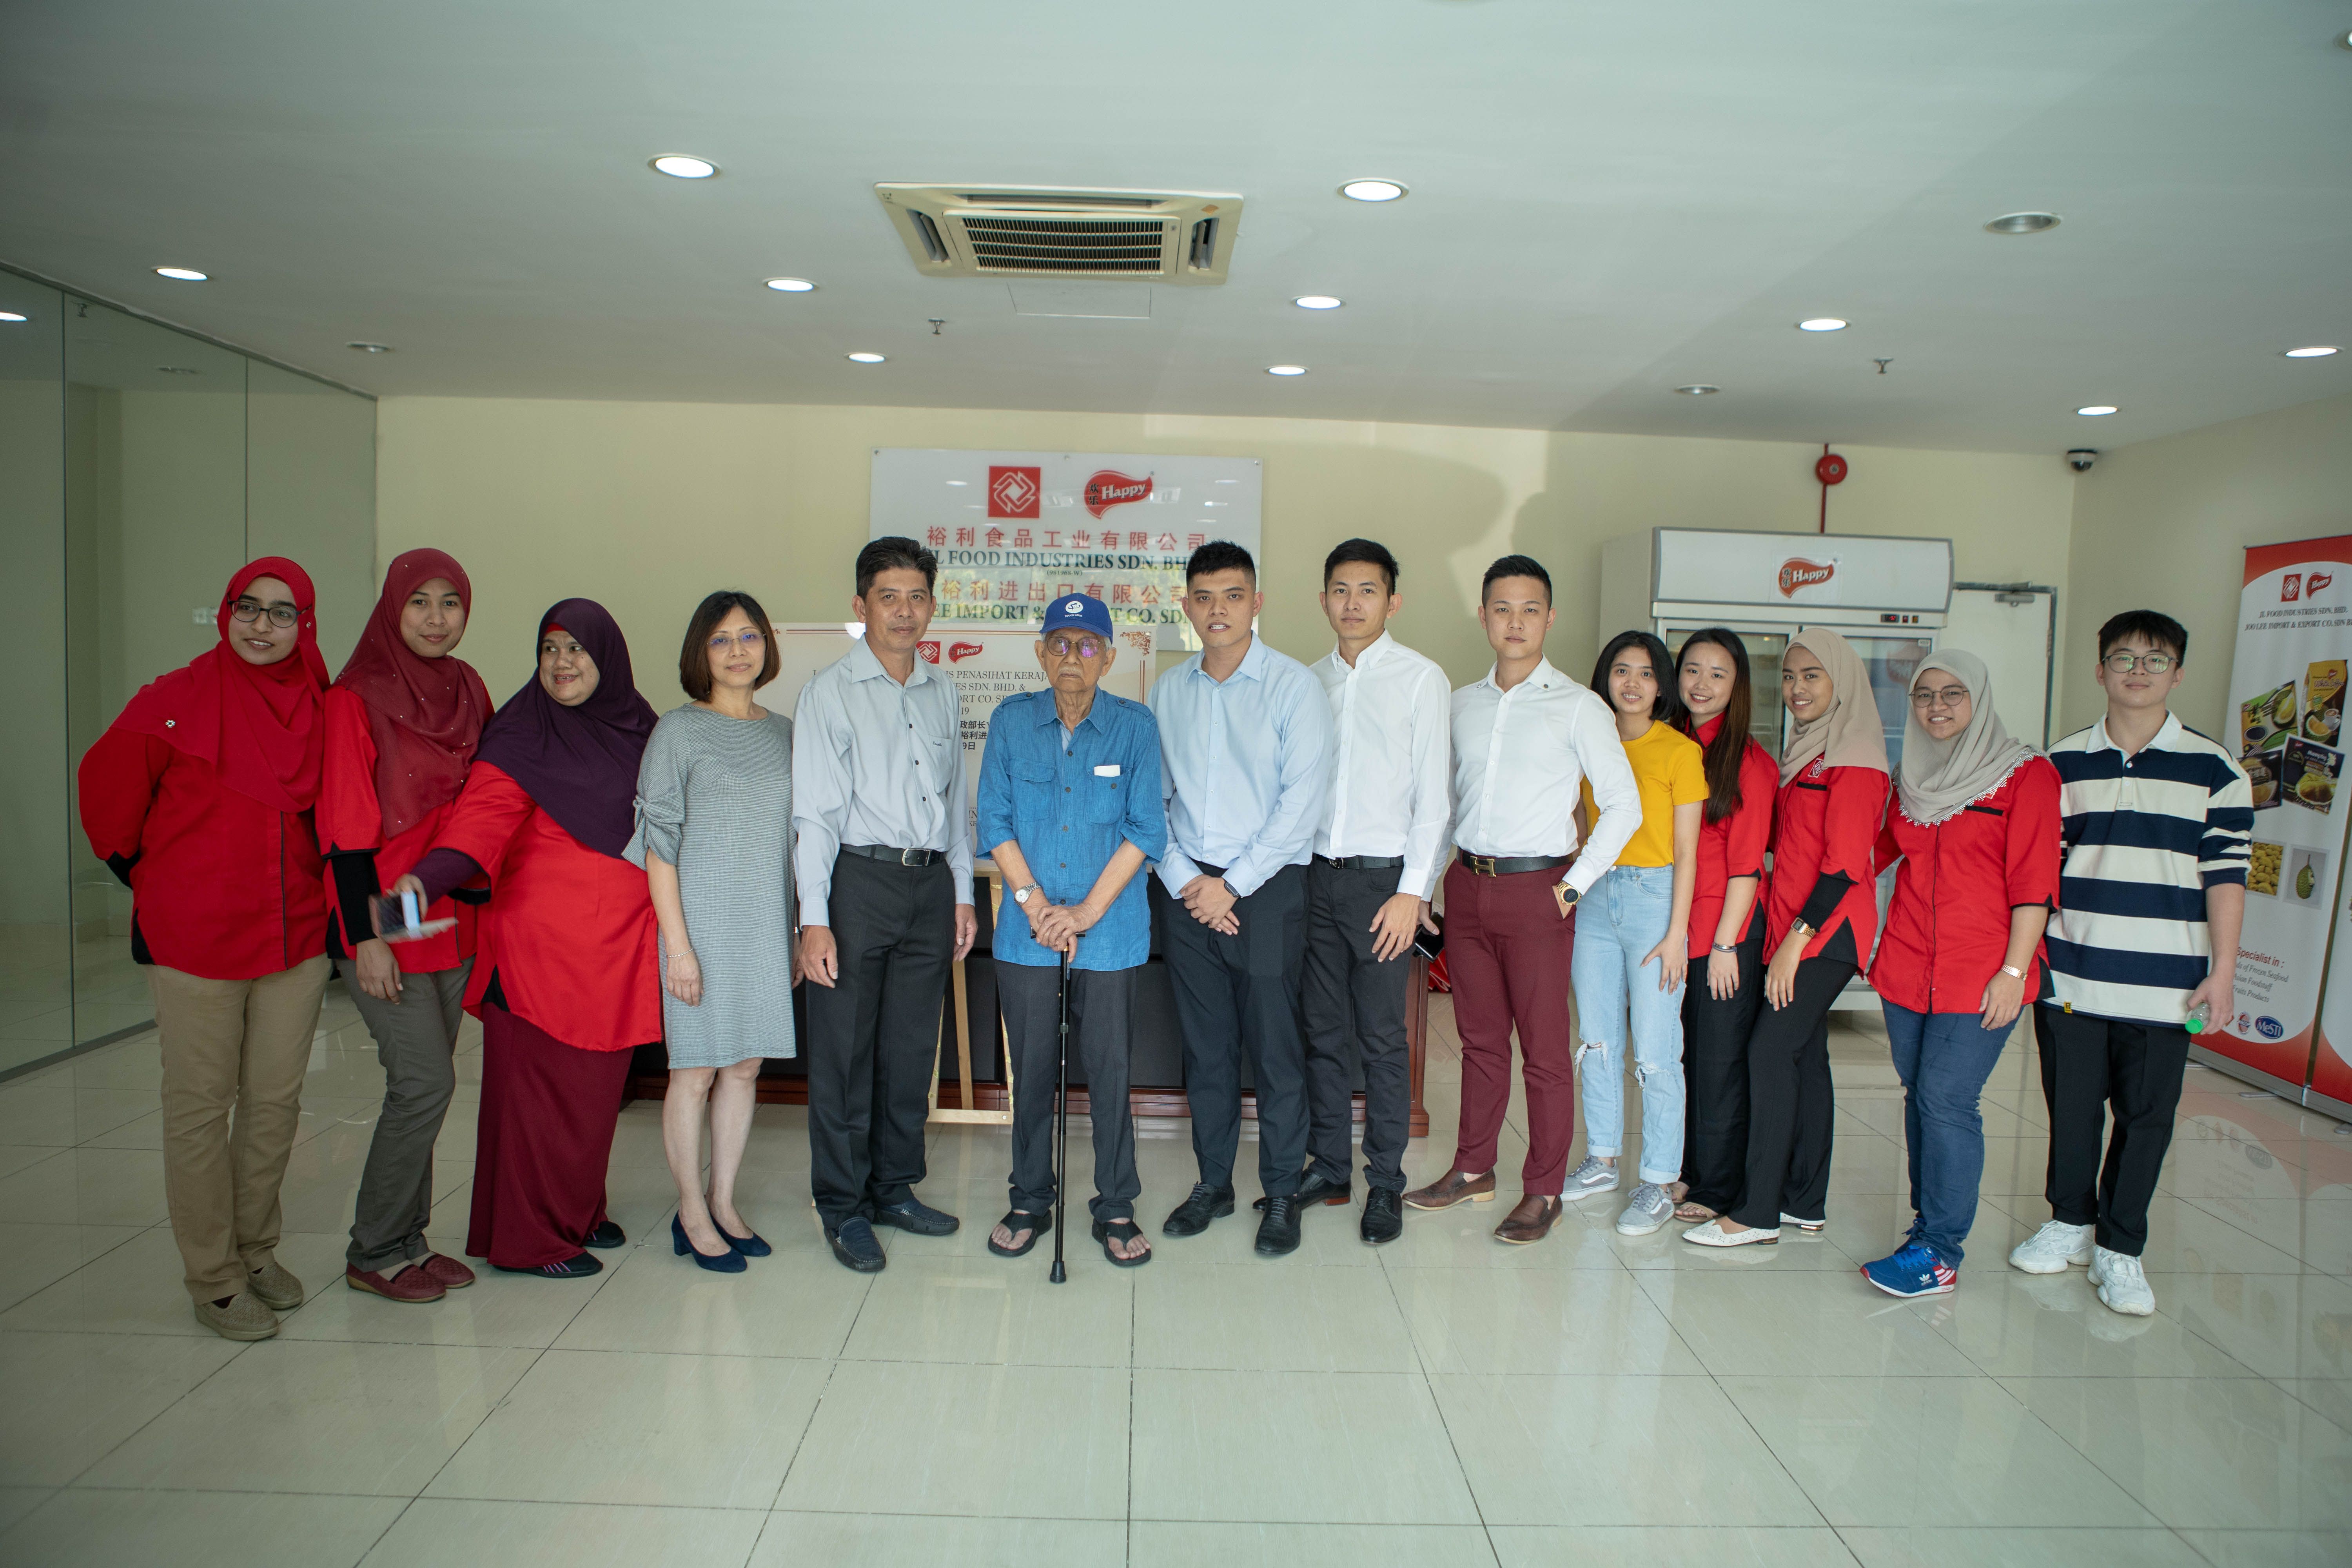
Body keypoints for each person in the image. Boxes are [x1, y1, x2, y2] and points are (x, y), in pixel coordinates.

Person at [76, 558, 333, 1341]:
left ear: (304, 626)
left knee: (275, 1103)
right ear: (226, 613)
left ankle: (255, 1252)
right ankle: (214, 1277)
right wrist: (160, 885)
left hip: (293, 936)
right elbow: (108, 803)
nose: (262, 625)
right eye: (247, 607)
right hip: (195, 941)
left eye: (282, 613)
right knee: (198, 1107)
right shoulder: (173, 700)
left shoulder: (320, 704)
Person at [391, 600, 659, 1279]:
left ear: (608, 657)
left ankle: (577, 1212)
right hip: (545, 954)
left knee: (593, 1095)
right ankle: (531, 1240)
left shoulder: (638, 725)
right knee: (544, 1101)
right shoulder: (521, 734)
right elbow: (479, 824)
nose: (562, 663)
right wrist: (421, 886)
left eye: (577, 649)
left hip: (619, 949)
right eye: (550, 649)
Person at [2009, 610, 2249, 1317]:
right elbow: (2037, 873)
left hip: (2168, 984)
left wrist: (2223, 972)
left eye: (2155, 660)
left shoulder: (2216, 770)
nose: (2138, 672)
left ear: (2177, 673)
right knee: (2072, 1110)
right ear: (2100, 670)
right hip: (2073, 974)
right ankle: (2069, 1222)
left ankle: (2121, 1247)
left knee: (2146, 1118)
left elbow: (2227, 878)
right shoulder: (2058, 764)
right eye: (2123, 658)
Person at [1404, 555, 1640, 1245]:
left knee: (1543, 1050)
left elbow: (1623, 806)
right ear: (1483, 616)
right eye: (1502, 609)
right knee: (1479, 1042)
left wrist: (1572, 885)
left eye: (1529, 609)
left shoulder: (1579, 706)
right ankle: (1473, 1169)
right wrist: (1427, 886)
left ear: (1550, 618)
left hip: (1540, 890)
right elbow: (1446, 806)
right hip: (1467, 887)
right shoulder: (1461, 704)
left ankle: (1544, 1189)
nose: (1515, 622)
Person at [793, 537, 977, 1274]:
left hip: (928, 886)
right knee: (844, 1053)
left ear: (932, 606)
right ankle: (842, 1206)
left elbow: (953, 804)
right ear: (861, 605)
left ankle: (893, 1189)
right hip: (857, 883)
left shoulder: (942, 691)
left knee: (909, 1051)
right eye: (888, 597)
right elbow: (814, 815)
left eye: (917, 597)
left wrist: (961, 894)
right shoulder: (830, 692)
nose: (905, 612)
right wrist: (814, 919)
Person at [1150, 540, 1335, 1256]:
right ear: (1188, 607)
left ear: (1256, 603)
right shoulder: (1170, 690)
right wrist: (1187, 882)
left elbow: (1301, 804)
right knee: (1206, 1049)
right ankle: (1214, 1184)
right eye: (1204, 598)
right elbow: (1152, 800)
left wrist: (1232, 885)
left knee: (1274, 1048)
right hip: (1189, 890)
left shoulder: (1293, 687)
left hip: (1266, 892)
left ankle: (1282, 1191)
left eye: (1232, 596)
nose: (1217, 610)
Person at [1858, 650, 2060, 1297]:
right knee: (1920, 1094)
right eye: (1924, 695)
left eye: (1952, 694)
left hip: (1983, 971)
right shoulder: (1909, 779)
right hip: (1906, 966)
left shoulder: (2026, 775)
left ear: (1979, 699)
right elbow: (1870, 854)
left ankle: (1941, 1251)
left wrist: (2014, 970)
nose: (1937, 707)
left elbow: (2035, 882)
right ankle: (1925, 1229)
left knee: (1948, 1099)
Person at [321, 549, 491, 1303]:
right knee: (424, 1083)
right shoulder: (354, 697)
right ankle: (374, 1249)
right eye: (419, 601)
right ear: (393, 608)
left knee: (424, 1087)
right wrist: (369, 939)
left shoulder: (469, 687)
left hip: (447, 912)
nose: (435, 617)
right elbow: (344, 830)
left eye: (450, 601)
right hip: (384, 914)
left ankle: (409, 1241)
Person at [976, 593, 1165, 1267]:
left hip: (1110, 936)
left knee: (1111, 1074)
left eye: (1087, 646)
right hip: (1027, 936)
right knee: (1031, 1072)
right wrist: (1035, 905)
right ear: (1041, 653)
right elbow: (994, 820)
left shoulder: (1135, 727)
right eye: (1059, 643)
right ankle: (1030, 1196)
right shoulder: (1011, 721)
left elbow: (1146, 830)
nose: (1072, 657)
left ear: (1108, 658)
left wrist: (1082, 914)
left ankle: (1115, 1204)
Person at [1686, 627, 1889, 1248]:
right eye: (1792, 676)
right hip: (1794, 925)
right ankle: (1804, 1199)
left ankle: (1756, 1214)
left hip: (1824, 935)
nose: (1799, 688)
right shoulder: (1809, 751)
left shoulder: (1856, 757)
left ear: (1842, 682)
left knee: (1769, 1053)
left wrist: (1794, 947)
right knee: (1807, 1058)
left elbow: (1846, 866)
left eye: (1813, 676)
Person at [630, 590, 796, 1274]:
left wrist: (794, 931)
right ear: (701, 652)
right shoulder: (678, 731)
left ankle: (724, 1201)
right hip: (698, 926)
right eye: (721, 639)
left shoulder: (784, 733)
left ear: (767, 646)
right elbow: (658, 845)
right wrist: (679, 948)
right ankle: (691, 1210)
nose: (737, 651)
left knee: (746, 1065)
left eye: (749, 636)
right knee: (695, 1070)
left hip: (763, 923)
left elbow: (795, 842)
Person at [1300, 539, 1449, 1247]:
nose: (1353, 603)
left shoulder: (1421, 679)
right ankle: (1331, 1167)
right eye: (1341, 590)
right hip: (1313, 879)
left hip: (1384, 885)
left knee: (1384, 1040)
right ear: (1323, 599)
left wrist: (1413, 892)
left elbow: (1435, 800)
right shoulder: (1307, 682)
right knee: (1322, 1031)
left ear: (1393, 601)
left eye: (1368, 590)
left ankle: (1384, 1179)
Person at [1564, 631, 1707, 1235]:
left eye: (1646, 673)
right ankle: (1601, 1160)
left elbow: (1688, 851)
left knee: (1656, 1049)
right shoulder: (1588, 744)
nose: (1632, 683)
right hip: (1596, 897)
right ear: (1605, 678)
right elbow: (1580, 820)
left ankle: (1658, 1181)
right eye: (1621, 670)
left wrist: (1677, 934)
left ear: (1661, 686)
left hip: (1655, 900)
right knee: (1597, 1040)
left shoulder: (1679, 752)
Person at [1668, 630, 1778, 1225]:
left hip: (1722, 934)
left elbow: (1747, 865)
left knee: (1718, 1063)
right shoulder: (1669, 743)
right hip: (1672, 931)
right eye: (1692, 670)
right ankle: (1689, 1168)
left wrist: (1727, 945)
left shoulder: (1751, 764)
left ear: (1738, 687)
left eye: (1718, 674)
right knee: (1681, 1057)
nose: (1702, 684)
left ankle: (1717, 1186)